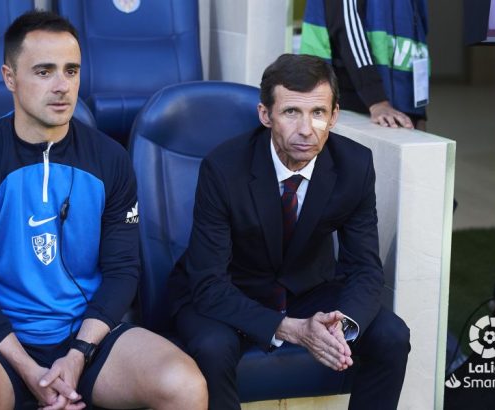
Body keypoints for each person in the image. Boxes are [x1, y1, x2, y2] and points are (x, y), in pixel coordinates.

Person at [0, 10, 207, 410]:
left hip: (86, 335)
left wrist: (77, 356)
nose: (62, 86)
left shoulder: (110, 159)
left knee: (184, 384)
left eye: (71, 71)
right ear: (10, 77)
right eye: (44, 71)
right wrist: (28, 368)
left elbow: (123, 271)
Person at [168, 53, 410, 410]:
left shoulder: (354, 165)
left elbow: (364, 267)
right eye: (291, 112)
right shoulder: (223, 167)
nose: (306, 129)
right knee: (213, 348)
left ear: (334, 116)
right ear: (266, 115)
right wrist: (290, 328)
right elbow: (207, 281)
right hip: (228, 291)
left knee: (392, 335)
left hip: (307, 289)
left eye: (318, 113)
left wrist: (342, 323)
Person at [300, 0, 429, 130]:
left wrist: (418, 112)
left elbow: (417, 44)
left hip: (397, 111)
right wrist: (376, 101)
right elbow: (347, 29)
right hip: (357, 104)